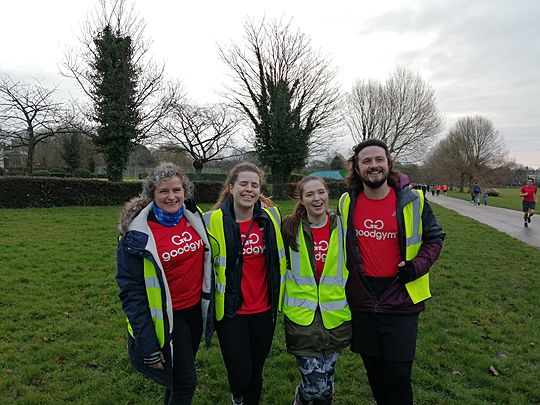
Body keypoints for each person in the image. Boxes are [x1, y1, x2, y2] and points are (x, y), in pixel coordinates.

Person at [337, 139, 445, 405]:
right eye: (367, 161)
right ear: (357, 167)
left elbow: (435, 238)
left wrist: (416, 267)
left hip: (401, 299)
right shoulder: (346, 202)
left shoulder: (413, 200)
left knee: (398, 377)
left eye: (379, 159)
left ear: (388, 163)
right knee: (375, 374)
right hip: (362, 299)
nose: (373, 166)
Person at [116, 163, 214, 405]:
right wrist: (147, 344)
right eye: (163, 191)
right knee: (185, 384)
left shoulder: (194, 217)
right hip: (168, 318)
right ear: (152, 195)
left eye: (177, 190)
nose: (171, 197)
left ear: (185, 192)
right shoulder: (136, 234)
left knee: (175, 379)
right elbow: (131, 292)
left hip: (194, 314)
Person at [203, 162, 287, 405]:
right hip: (231, 311)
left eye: (255, 185)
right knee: (240, 373)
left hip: (264, 308)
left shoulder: (271, 217)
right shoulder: (212, 220)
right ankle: (237, 394)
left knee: (256, 369)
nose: (249, 189)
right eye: (243, 184)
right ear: (231, 187)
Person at [281, 176, 351, 405]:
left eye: (320, 192)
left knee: (327, 385)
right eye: (309, 194)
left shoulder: (342, 225)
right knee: (315, 386)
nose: (316, 198)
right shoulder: (289, 228)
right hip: (302, 317)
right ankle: (301, 397)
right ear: (300, 199)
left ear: (327, 193)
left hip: (336, 317)